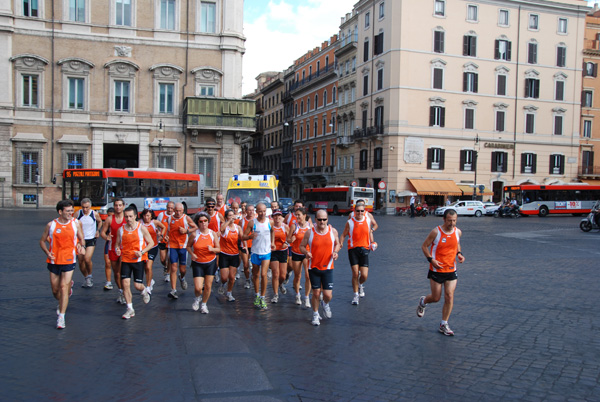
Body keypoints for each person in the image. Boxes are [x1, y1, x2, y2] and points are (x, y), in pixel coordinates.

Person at [417, 209, 464, 336]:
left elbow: (457, 244)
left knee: (449, 295)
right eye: (449, 220)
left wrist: (459, 254)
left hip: (451, 269)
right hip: (436, 270)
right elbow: (424, 246)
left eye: (454, 220)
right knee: (436, 297)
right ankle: (423, 301)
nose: (452, 223)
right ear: (444, 219)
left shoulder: (457, 232)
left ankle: (444, 323)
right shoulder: (436, 232)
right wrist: (431, 260)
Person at [40, 200, 85, 329]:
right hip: (54, 260)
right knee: (55, 291)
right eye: (68, 211)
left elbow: (81, 239)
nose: (71, 213)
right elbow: (42, 241)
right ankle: (62, 299)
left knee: (63, 287)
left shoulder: (76, 224)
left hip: (69, 260)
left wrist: (81, 246)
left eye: (72, 210)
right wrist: (47, 253)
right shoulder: (51, 225)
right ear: (60, 212)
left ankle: (61, 317)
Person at [300, 209, 340, 326]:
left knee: (327, 295)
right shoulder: (309, 232)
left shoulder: (333, 231)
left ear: (327, 219)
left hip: (328, 268)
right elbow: (302, 246)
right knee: (316, 293)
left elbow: (337, 244)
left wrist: (336, 252)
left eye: (324, 219)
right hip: (314, 268)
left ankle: (325, 304)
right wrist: (306, 253)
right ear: (316, 220)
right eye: (320, 219)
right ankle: (315, 314)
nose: (322, 222)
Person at [115, 207, 155, 319]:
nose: (128, 219)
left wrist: (142, 252)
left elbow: (151, 243)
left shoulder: (141, 228)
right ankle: (130, 309)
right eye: (126, 216)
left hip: (138, 260)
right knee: (125, 284)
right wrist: (117, 249)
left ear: (135, 216)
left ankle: (144, 291)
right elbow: (117, 244)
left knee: (137, 285)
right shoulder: (121, 230)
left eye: (130, 216)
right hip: (125, 260)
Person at [340, 204, 376, 305]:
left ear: (364, 211)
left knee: (364, 275)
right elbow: (343, 234)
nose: (359, 213)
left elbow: (369, 232)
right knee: (355, 273)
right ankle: (355, 296)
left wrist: (373, 242)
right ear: (354, 212)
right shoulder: (350, 222)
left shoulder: (367, 220)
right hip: (353, 249)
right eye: (358, 211)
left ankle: (360, 284)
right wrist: (341, 243)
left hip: (364, 249)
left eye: (361, 211)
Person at [187, 211, 220, 314]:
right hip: (198, 263)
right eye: (201, 221)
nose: (203, 223)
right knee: (198, 288)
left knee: (208, 286)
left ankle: (204, 304)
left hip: (210, 262)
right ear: (198, 223)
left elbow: (218, 249)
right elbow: (188, 246)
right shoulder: (194, 234)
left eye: (205, 221)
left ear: (208, 222)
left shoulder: (212, 233)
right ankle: (197, 298)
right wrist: (192, 254)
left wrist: (212, 249)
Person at [242, 201, 273, 309]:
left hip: (266, 252)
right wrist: (250, 237)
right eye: (260, 211)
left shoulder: (270, 222)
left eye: (264, 211)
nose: (262, 213)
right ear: (256, 212)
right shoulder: (252, 223)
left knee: (264, 275)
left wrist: (272, 242)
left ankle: (263, 297)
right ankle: (256, 295)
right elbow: (243, 236)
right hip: (255, 252)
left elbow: (272, 231)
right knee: (256, 275)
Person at [167, 202, 198, 299]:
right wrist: (165, 236)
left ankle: (182, 277)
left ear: (183, 210)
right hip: (172, 246)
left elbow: (195, 227)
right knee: (173, 267)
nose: (178, 213)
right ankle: (173, 290)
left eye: (180, 211)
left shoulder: (186, 218)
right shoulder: (170, 218)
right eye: (176, 210)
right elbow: (167, 229)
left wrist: (186, 231)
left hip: (183, 246)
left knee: (183, 269)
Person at [101, 198, 126, 304]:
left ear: (123, 206)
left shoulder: (128, 218)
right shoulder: (110, 219)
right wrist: (106, 237)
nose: (118, 207)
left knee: (122, 272)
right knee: (116, 273)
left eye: (120, 205)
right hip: (113, 248)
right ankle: (121, 291)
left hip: (125, 249)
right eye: (116, 205)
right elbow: (103, 232)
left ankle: (125, 293)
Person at [287, 207, 312, 306]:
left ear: (304, 216)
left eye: (299, 215)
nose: (297, 217)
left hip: (306, 253)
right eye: (296, 215)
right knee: (297, 276)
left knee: (308, 276)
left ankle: (306, 298)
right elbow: (288, 239)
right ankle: (297, 295)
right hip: (296, 253)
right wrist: (291, 240)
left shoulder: (310, 226)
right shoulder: (294, 226)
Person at [217, 209, 243, 302]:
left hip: (234, 254)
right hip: (224, 254)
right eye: (229, 216)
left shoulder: (237, 227)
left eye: (233, 215)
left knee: (232, 277)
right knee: (224, 277)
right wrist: (228, 221)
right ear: (226, 217)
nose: (232, 217)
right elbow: (221, 229)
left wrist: (245, 247)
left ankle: (229, 292)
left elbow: (242, 238)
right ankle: (223, 284)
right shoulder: (225, 226)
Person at [76, 198, 102, 288]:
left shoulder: (94, 214)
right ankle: (86, 277)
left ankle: (90, 275)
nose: (85, 209)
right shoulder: (78, 214)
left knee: (87, 259)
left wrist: (98, 230)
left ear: (90, 206)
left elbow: (100, 222)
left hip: (91, 239)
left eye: (87, 207)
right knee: (80, 261)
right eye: (83, 207)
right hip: (80, 240)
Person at [140, 209, 166, 297]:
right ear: (142, 216)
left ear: (151, 216)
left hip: (153, 247)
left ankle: (148, 287)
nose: (146, 217)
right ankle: (150, 280)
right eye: (145, 215)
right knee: (145, 267)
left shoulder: (154, 222)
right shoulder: (139, 223)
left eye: (148, 216)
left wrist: (161, 236)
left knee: (148, 266)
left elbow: (164, 227)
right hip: (143, 248)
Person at [269, 209, 289, 303]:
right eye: (275, 216)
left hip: (283, 251)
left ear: (282, 217)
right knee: (275, 274)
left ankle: (280, 284)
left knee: (283, 276)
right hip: (273, 252)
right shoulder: (270, 227)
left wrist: (287, 243)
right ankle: (275, 294)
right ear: (273, 217)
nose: (277, 218)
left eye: (279, 216)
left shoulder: (285, 227)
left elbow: (292, 237)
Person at [156, 201, 175, 282]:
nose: (170, 210)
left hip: (172, 241)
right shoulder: (161, 215)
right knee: (163, 259)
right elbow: (156, 225)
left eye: (171, 208)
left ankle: (168, 274)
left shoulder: (175, 216)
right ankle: (165, 266)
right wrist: (158, 232)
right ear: (166, 207)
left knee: (170, 258)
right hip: (163, 240)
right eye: (168, 208)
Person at [239, 204, 255, 289]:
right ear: (246, 211)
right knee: (245, 265)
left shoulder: (256, 220)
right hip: (244, 245)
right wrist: (244, 244)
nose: (251, 212)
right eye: (249, 210)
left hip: (254, 246)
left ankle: (253, 276)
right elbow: (241, 234)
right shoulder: (242, 221)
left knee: (254, 265)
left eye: (252, 210)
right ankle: (247, 279)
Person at [102, 207, 115, 290]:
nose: (110, 218)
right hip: (109, 243)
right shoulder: (107, 222)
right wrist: (106, 237)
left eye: (111, 216)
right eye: (108, 215)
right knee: (108, 262)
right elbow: (102, 233)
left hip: (118, 245)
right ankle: (108, 282)